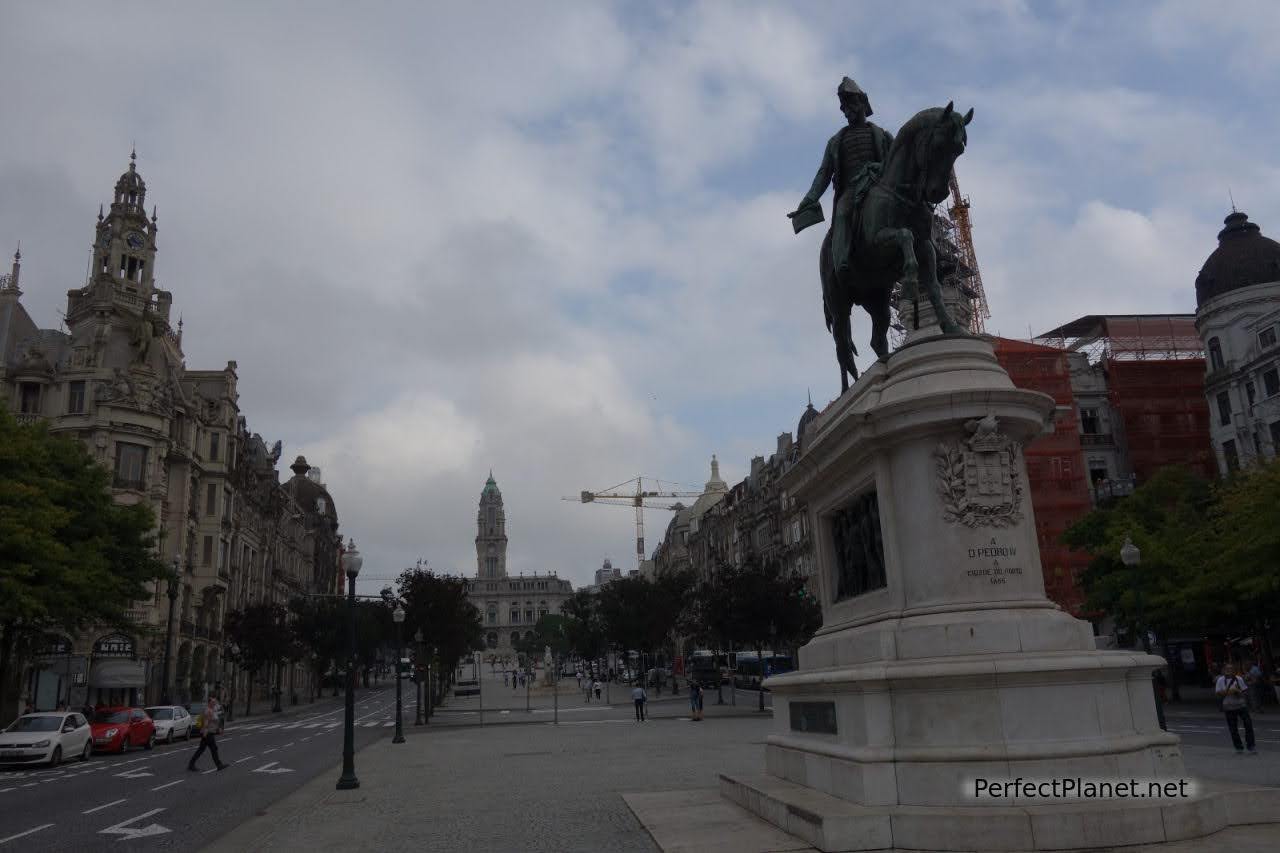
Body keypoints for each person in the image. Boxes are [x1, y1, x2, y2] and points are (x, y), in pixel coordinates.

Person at [789, 77, 894, 275]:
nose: (847, 112)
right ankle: (842, 260)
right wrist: (807, 200)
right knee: (843, 214)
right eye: (844, 108)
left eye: (851, 105)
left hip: (879, 185)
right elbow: (823, 174)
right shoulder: (836, 142)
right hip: (851, 191)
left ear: (862, 104)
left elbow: (897, 162)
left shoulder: (881, 135)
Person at [1216, 663, 1257, 755]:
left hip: (1241, 706)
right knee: (1233, 729)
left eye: (1231, 669)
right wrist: (1228, 691)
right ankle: (1238, 747)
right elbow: (1218, 693)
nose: (1229, 670)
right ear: (1223, 670)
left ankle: (1251, 746)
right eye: (1227, 669)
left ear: (1233, 670)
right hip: (1229, 707)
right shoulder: (1220, 680)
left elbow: (1245, 692)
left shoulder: (1238, 679)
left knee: (1248, 725)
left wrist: (1239, 693)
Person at [188, 693, 228, 771]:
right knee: (214, 749)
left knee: (201, 749)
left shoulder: (212, 710)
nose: (214, 703)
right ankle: (219, 765)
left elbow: (214, 722)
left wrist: (218, 728)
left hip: (209, 733)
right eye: (213, 702)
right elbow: (206, 723)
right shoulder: (208, 711)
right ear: (209, 703)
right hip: (208, 733)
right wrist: (205, 733)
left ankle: (191, 764)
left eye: (215, 702)